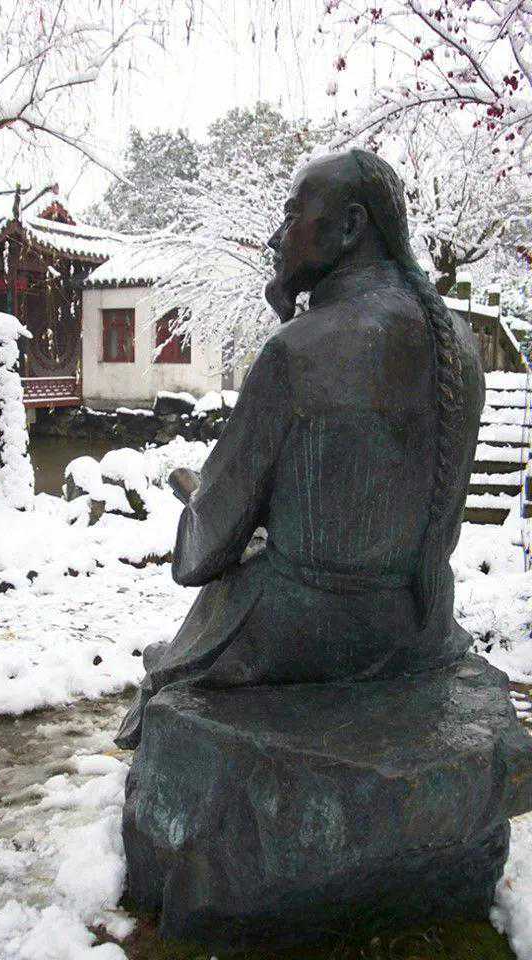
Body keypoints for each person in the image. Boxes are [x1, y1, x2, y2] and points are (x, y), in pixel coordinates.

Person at [115, 149, 484, 751]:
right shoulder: (460, 344)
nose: (275, 237)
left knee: (174, 664)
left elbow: (205, 550)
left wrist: (198, 506)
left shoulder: (299, 349)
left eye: (291, 217)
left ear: (351, 226)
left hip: (309, 631)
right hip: (421, 625)